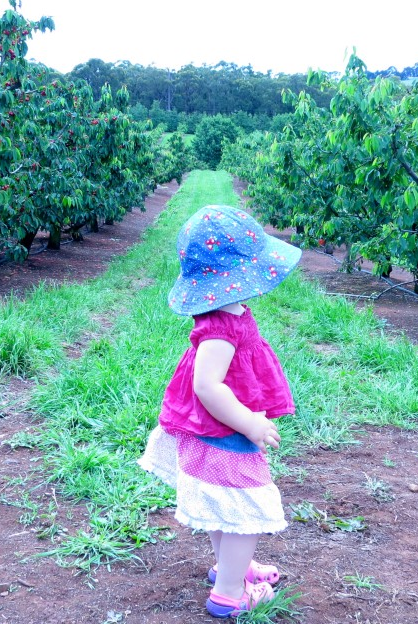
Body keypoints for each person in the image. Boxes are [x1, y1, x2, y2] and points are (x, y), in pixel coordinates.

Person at [139, 204, 302, 618]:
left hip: (216, 428)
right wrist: (249, 422)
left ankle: (234, 568)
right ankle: (231, 593)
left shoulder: (227, 312)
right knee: (246, 509)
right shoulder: (219, 328)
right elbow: (207, 385)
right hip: (224, 431)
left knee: (223, 503)